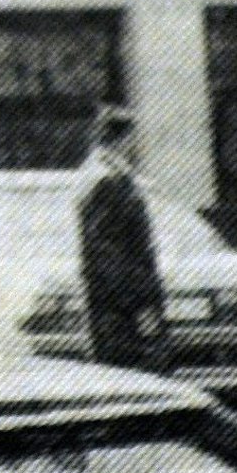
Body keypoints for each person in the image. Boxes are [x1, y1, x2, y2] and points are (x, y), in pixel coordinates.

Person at [76, 104, 171, 373]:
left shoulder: (102, 175)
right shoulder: (107, 180)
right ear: (123, 138)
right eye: (132, 138)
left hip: (116, 299)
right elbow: (107, 248)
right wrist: (136, 300)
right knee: (135, 371)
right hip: (121, 303)